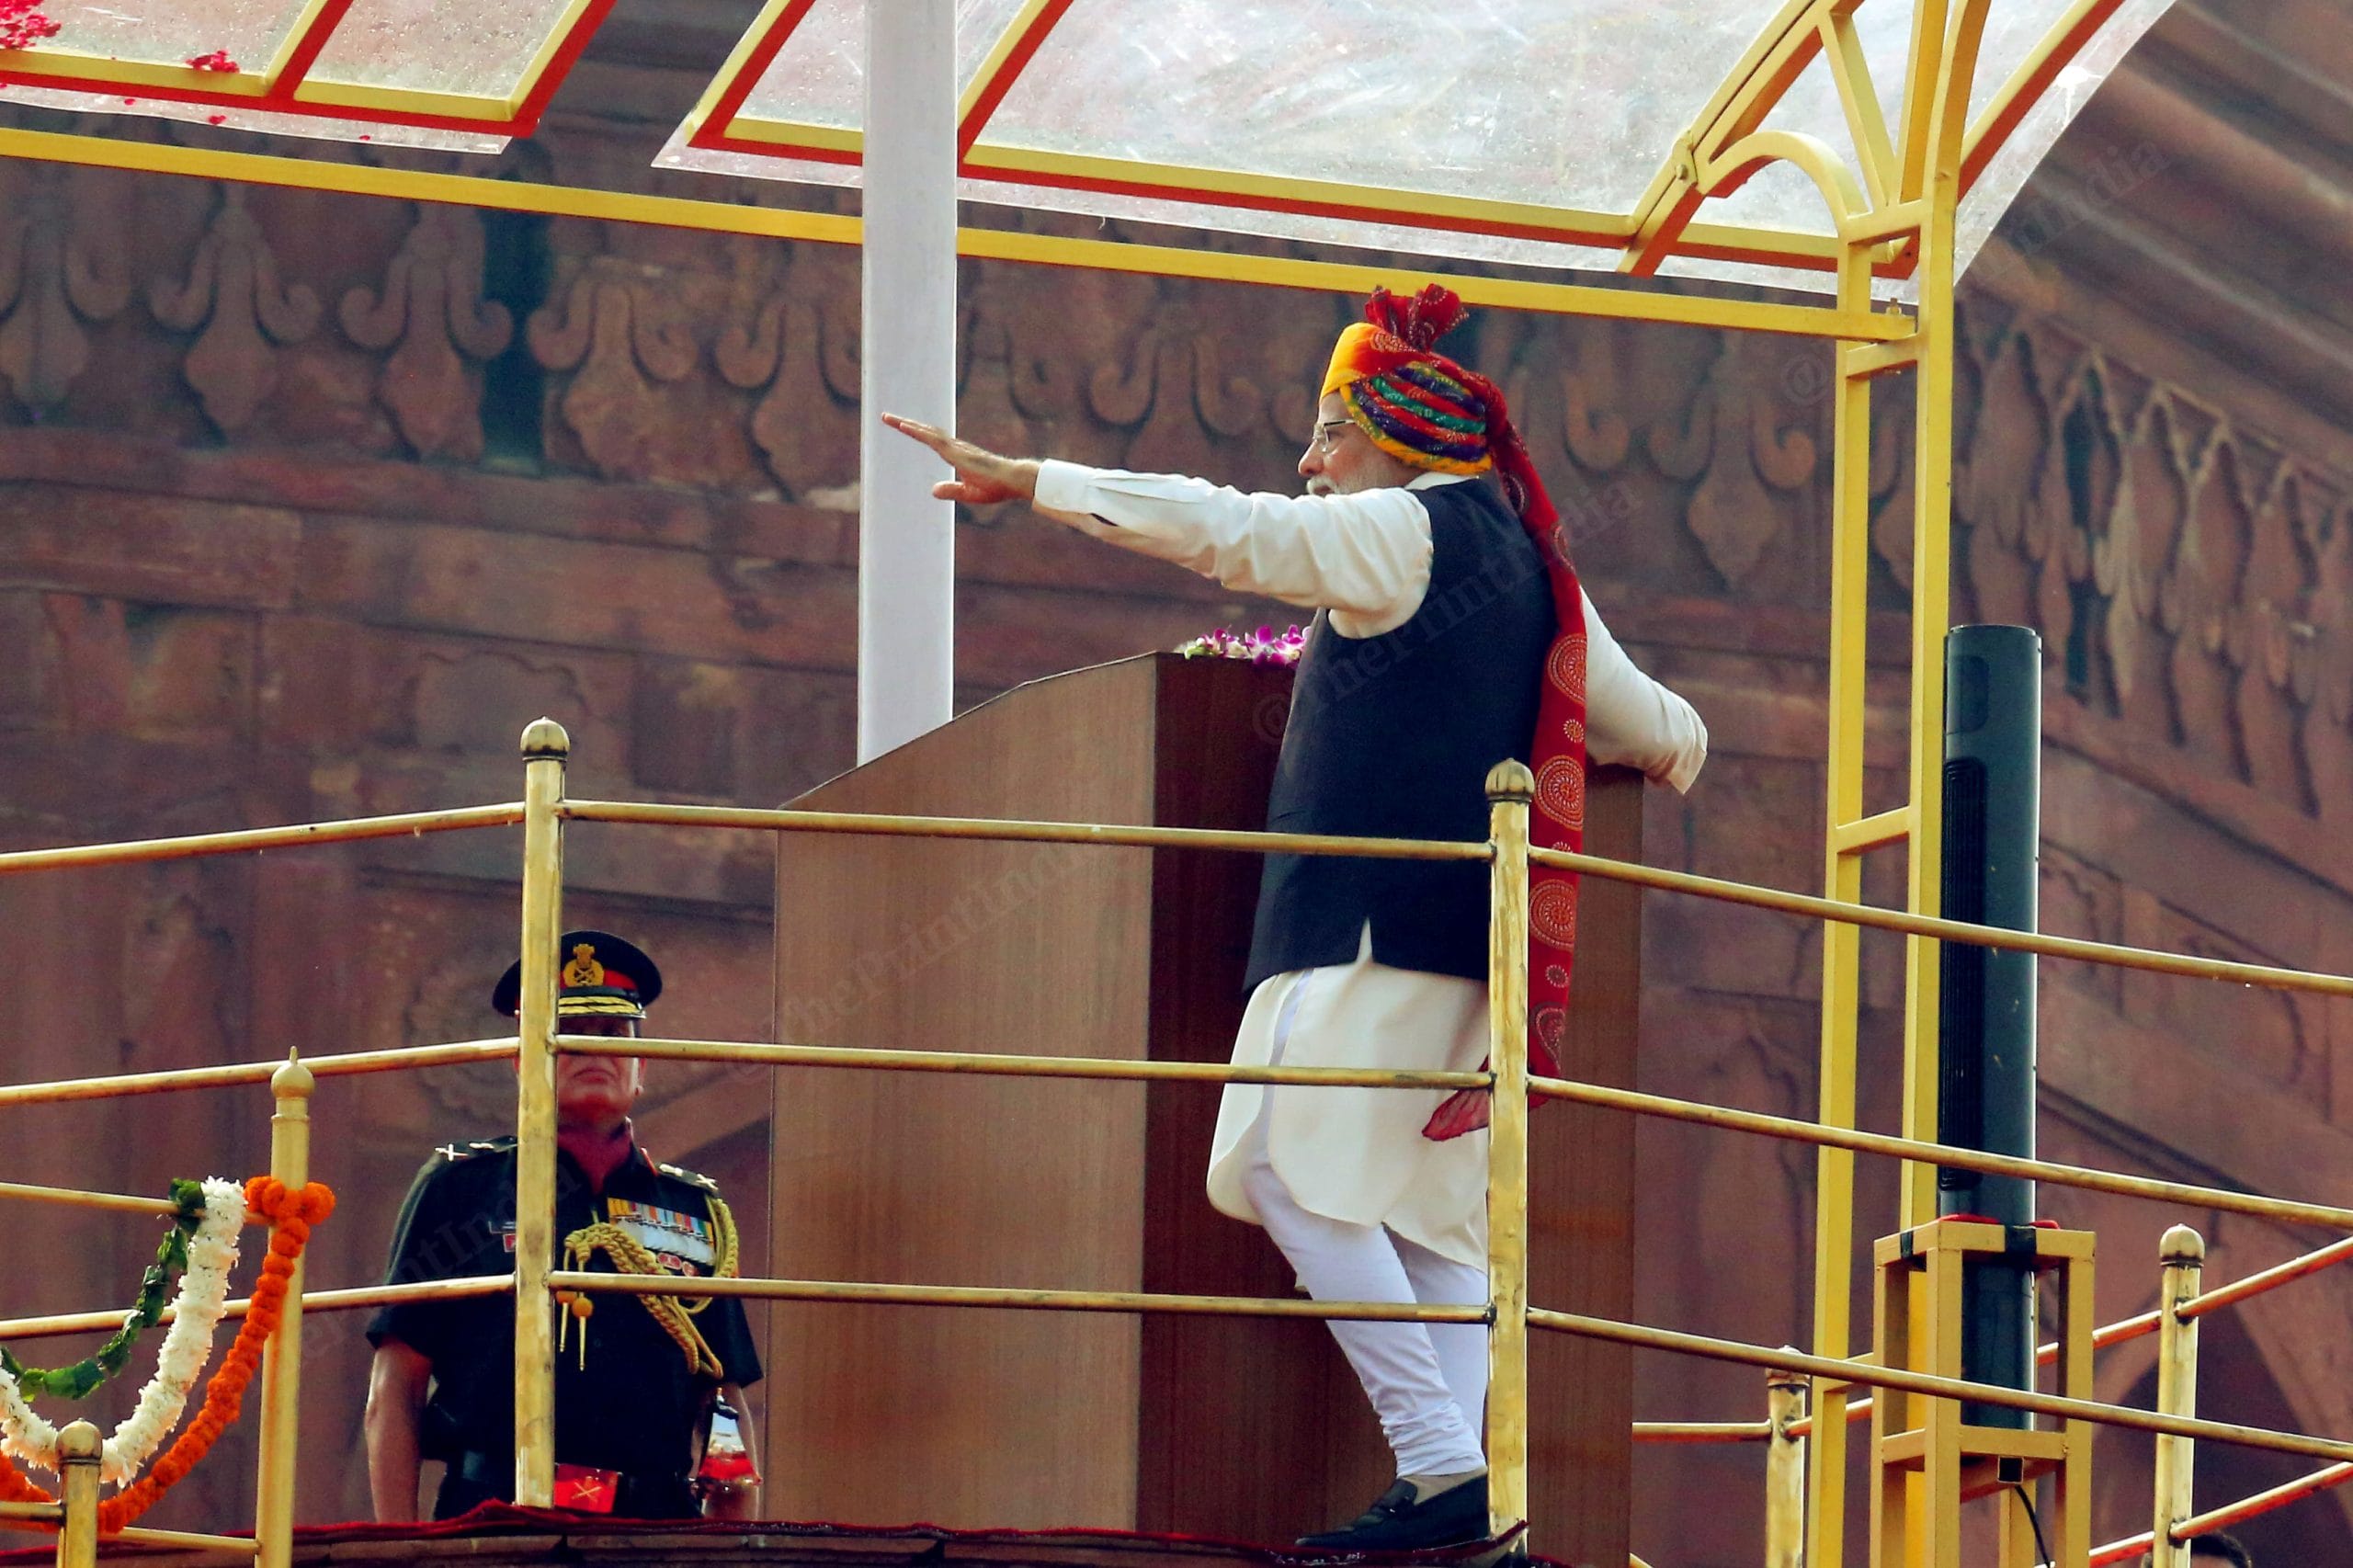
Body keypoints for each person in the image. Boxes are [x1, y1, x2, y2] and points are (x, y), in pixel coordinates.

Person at [886, 283, 1705, 1551]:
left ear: (1395, 436)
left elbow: (1232, 531)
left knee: (1279, 1161)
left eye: (1329, 432)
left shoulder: (1399, 531)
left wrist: (1034, 477)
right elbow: (1666, 733)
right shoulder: (1541, 579)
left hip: (1364, 928)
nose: (1311, 461)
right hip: (1462, 948)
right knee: (1427, 1215)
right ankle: (1483, 1508)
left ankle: (1444, 1469)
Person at [363, 930, 764, 1523]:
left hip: (657, 1530)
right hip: (497, 1520)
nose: (595, 1052)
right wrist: (397, 1549)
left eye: (614, 1036)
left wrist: (735, 1549)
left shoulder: (694, 1207)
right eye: (571, 1036)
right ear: (525, 1059)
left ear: (641, 1065)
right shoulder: (462, 1186)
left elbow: (722, 1397)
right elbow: (397, 1386)